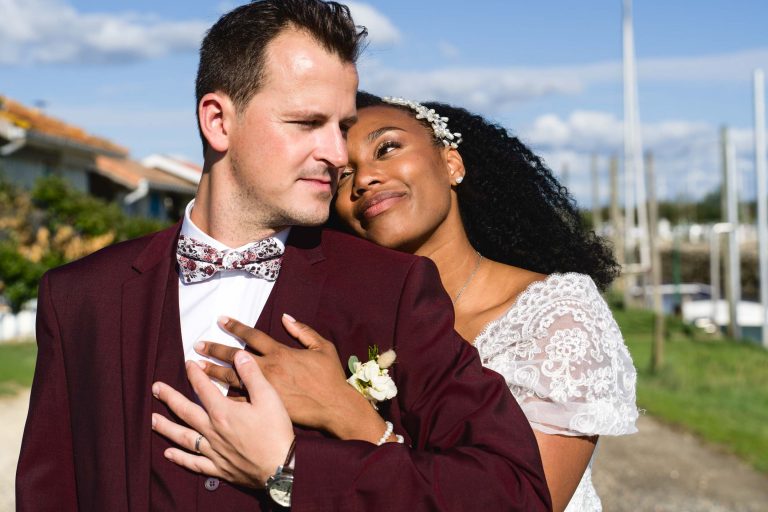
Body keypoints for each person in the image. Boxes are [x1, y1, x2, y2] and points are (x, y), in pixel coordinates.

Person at [16, 2, 551, 511]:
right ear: (219, 122)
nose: (338, 156)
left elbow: (514, 493)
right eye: (306, 123)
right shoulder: (79, 296)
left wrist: (292, 467)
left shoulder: (393, 290)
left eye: (340, 127)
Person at [164, 92, 639, 511]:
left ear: (451, 164)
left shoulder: (556, 314)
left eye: (387, 148)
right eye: (343, 175)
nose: (364, 179)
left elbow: (522, 501)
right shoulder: (345, 314)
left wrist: (346, 415)